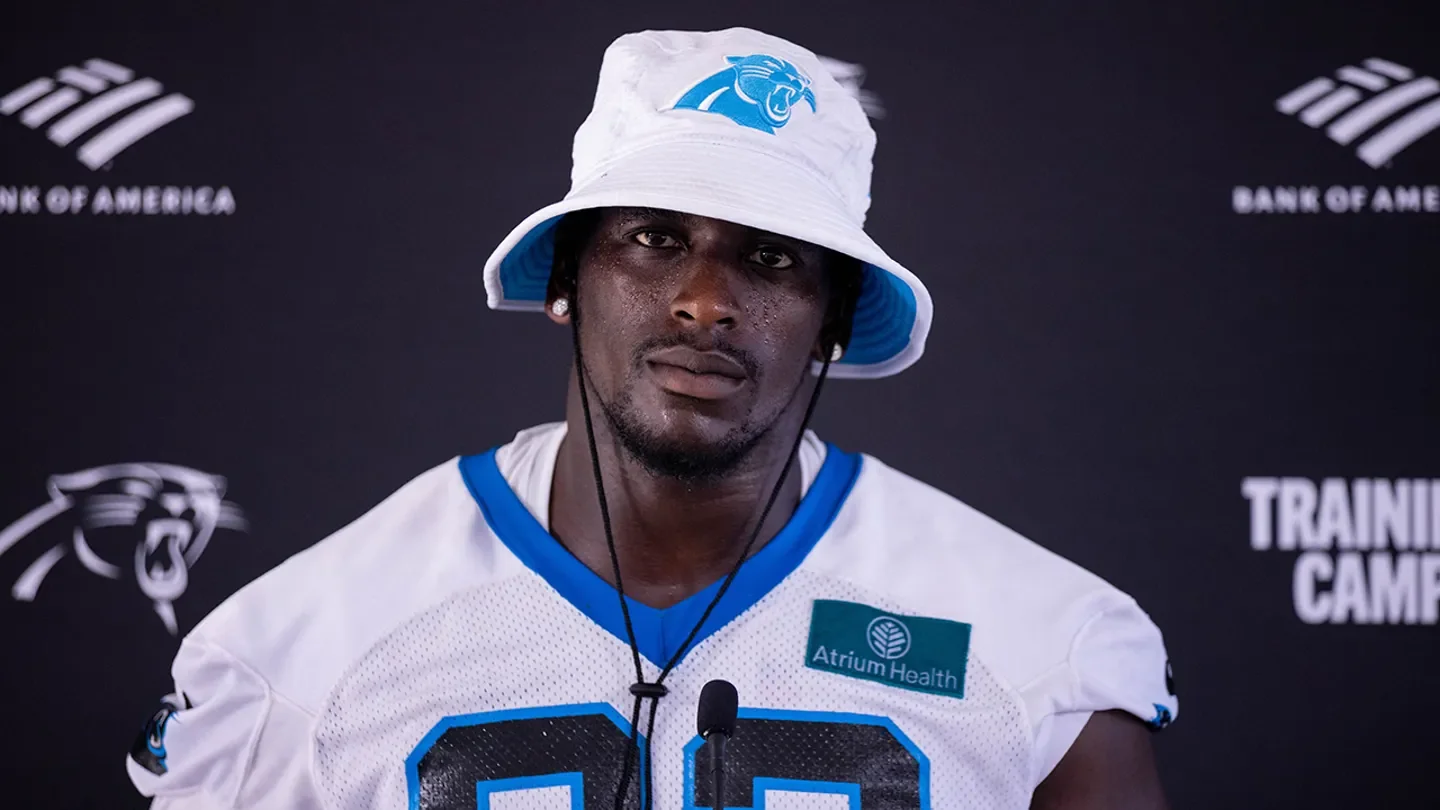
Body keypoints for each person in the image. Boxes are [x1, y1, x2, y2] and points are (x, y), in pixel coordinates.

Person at [126, 27, 1177, 810]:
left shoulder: (1038, 644)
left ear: (833, 321)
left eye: (770, 257)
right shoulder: (301, 654)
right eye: (653, 237)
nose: (705, 300)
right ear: (565, 279)